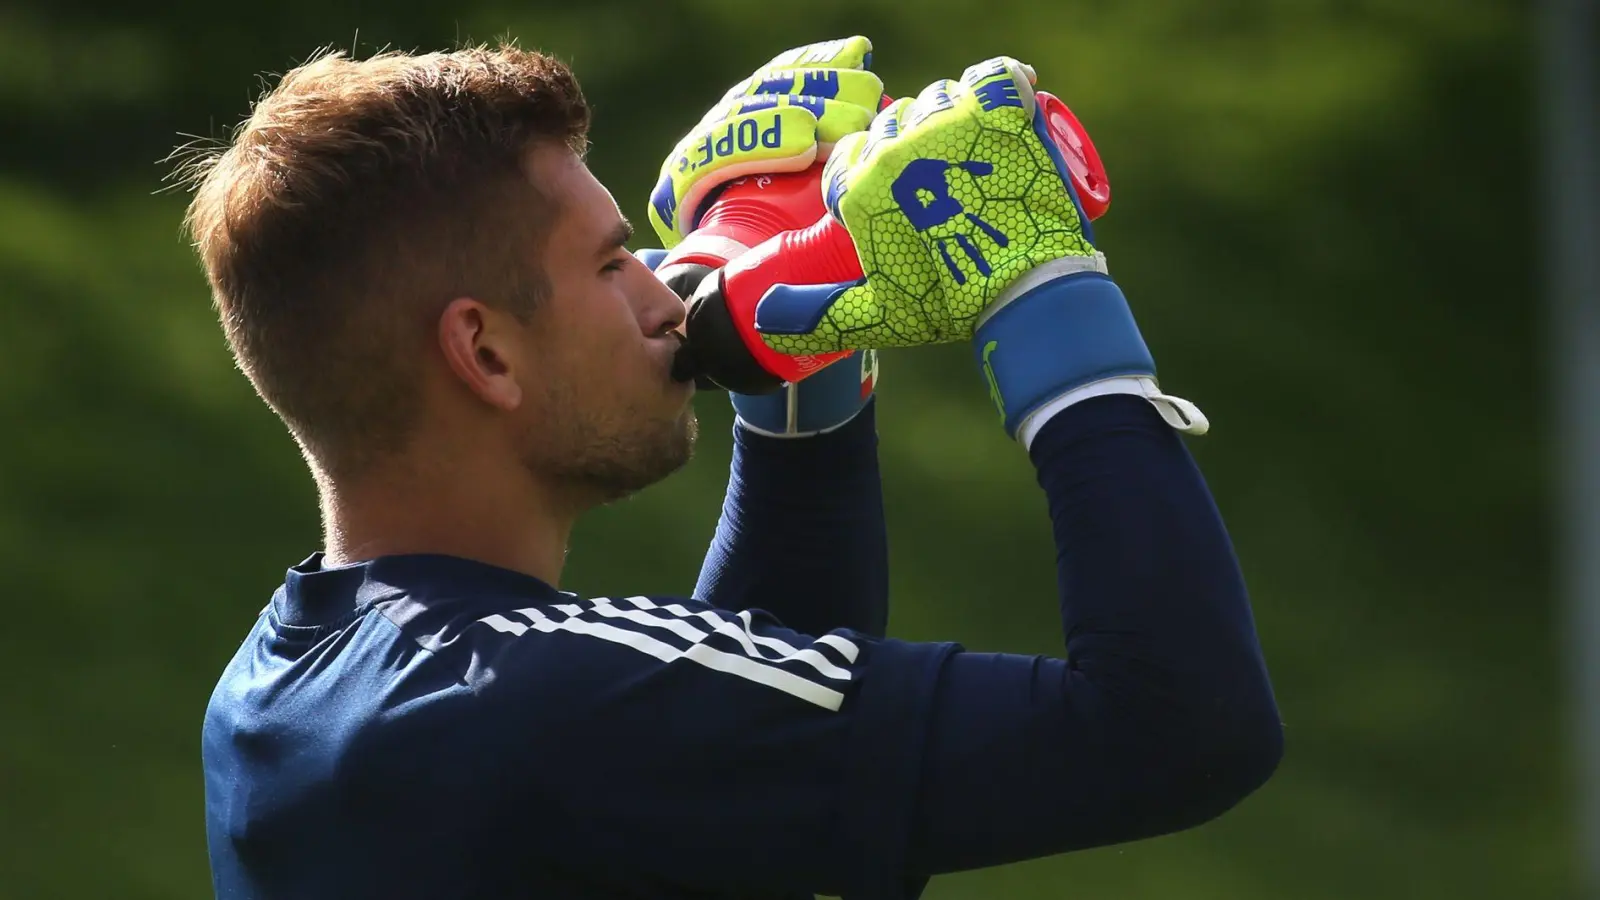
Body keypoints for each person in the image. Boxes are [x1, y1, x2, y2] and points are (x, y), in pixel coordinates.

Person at [186, 36, 1282, 900]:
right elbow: (1179, 730)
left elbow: (720, 773)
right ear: (483, 351)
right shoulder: (551, 697)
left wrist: (790, 362)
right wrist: (1041, 288)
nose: (665, 297)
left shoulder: (282, 690)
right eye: (614, 263)